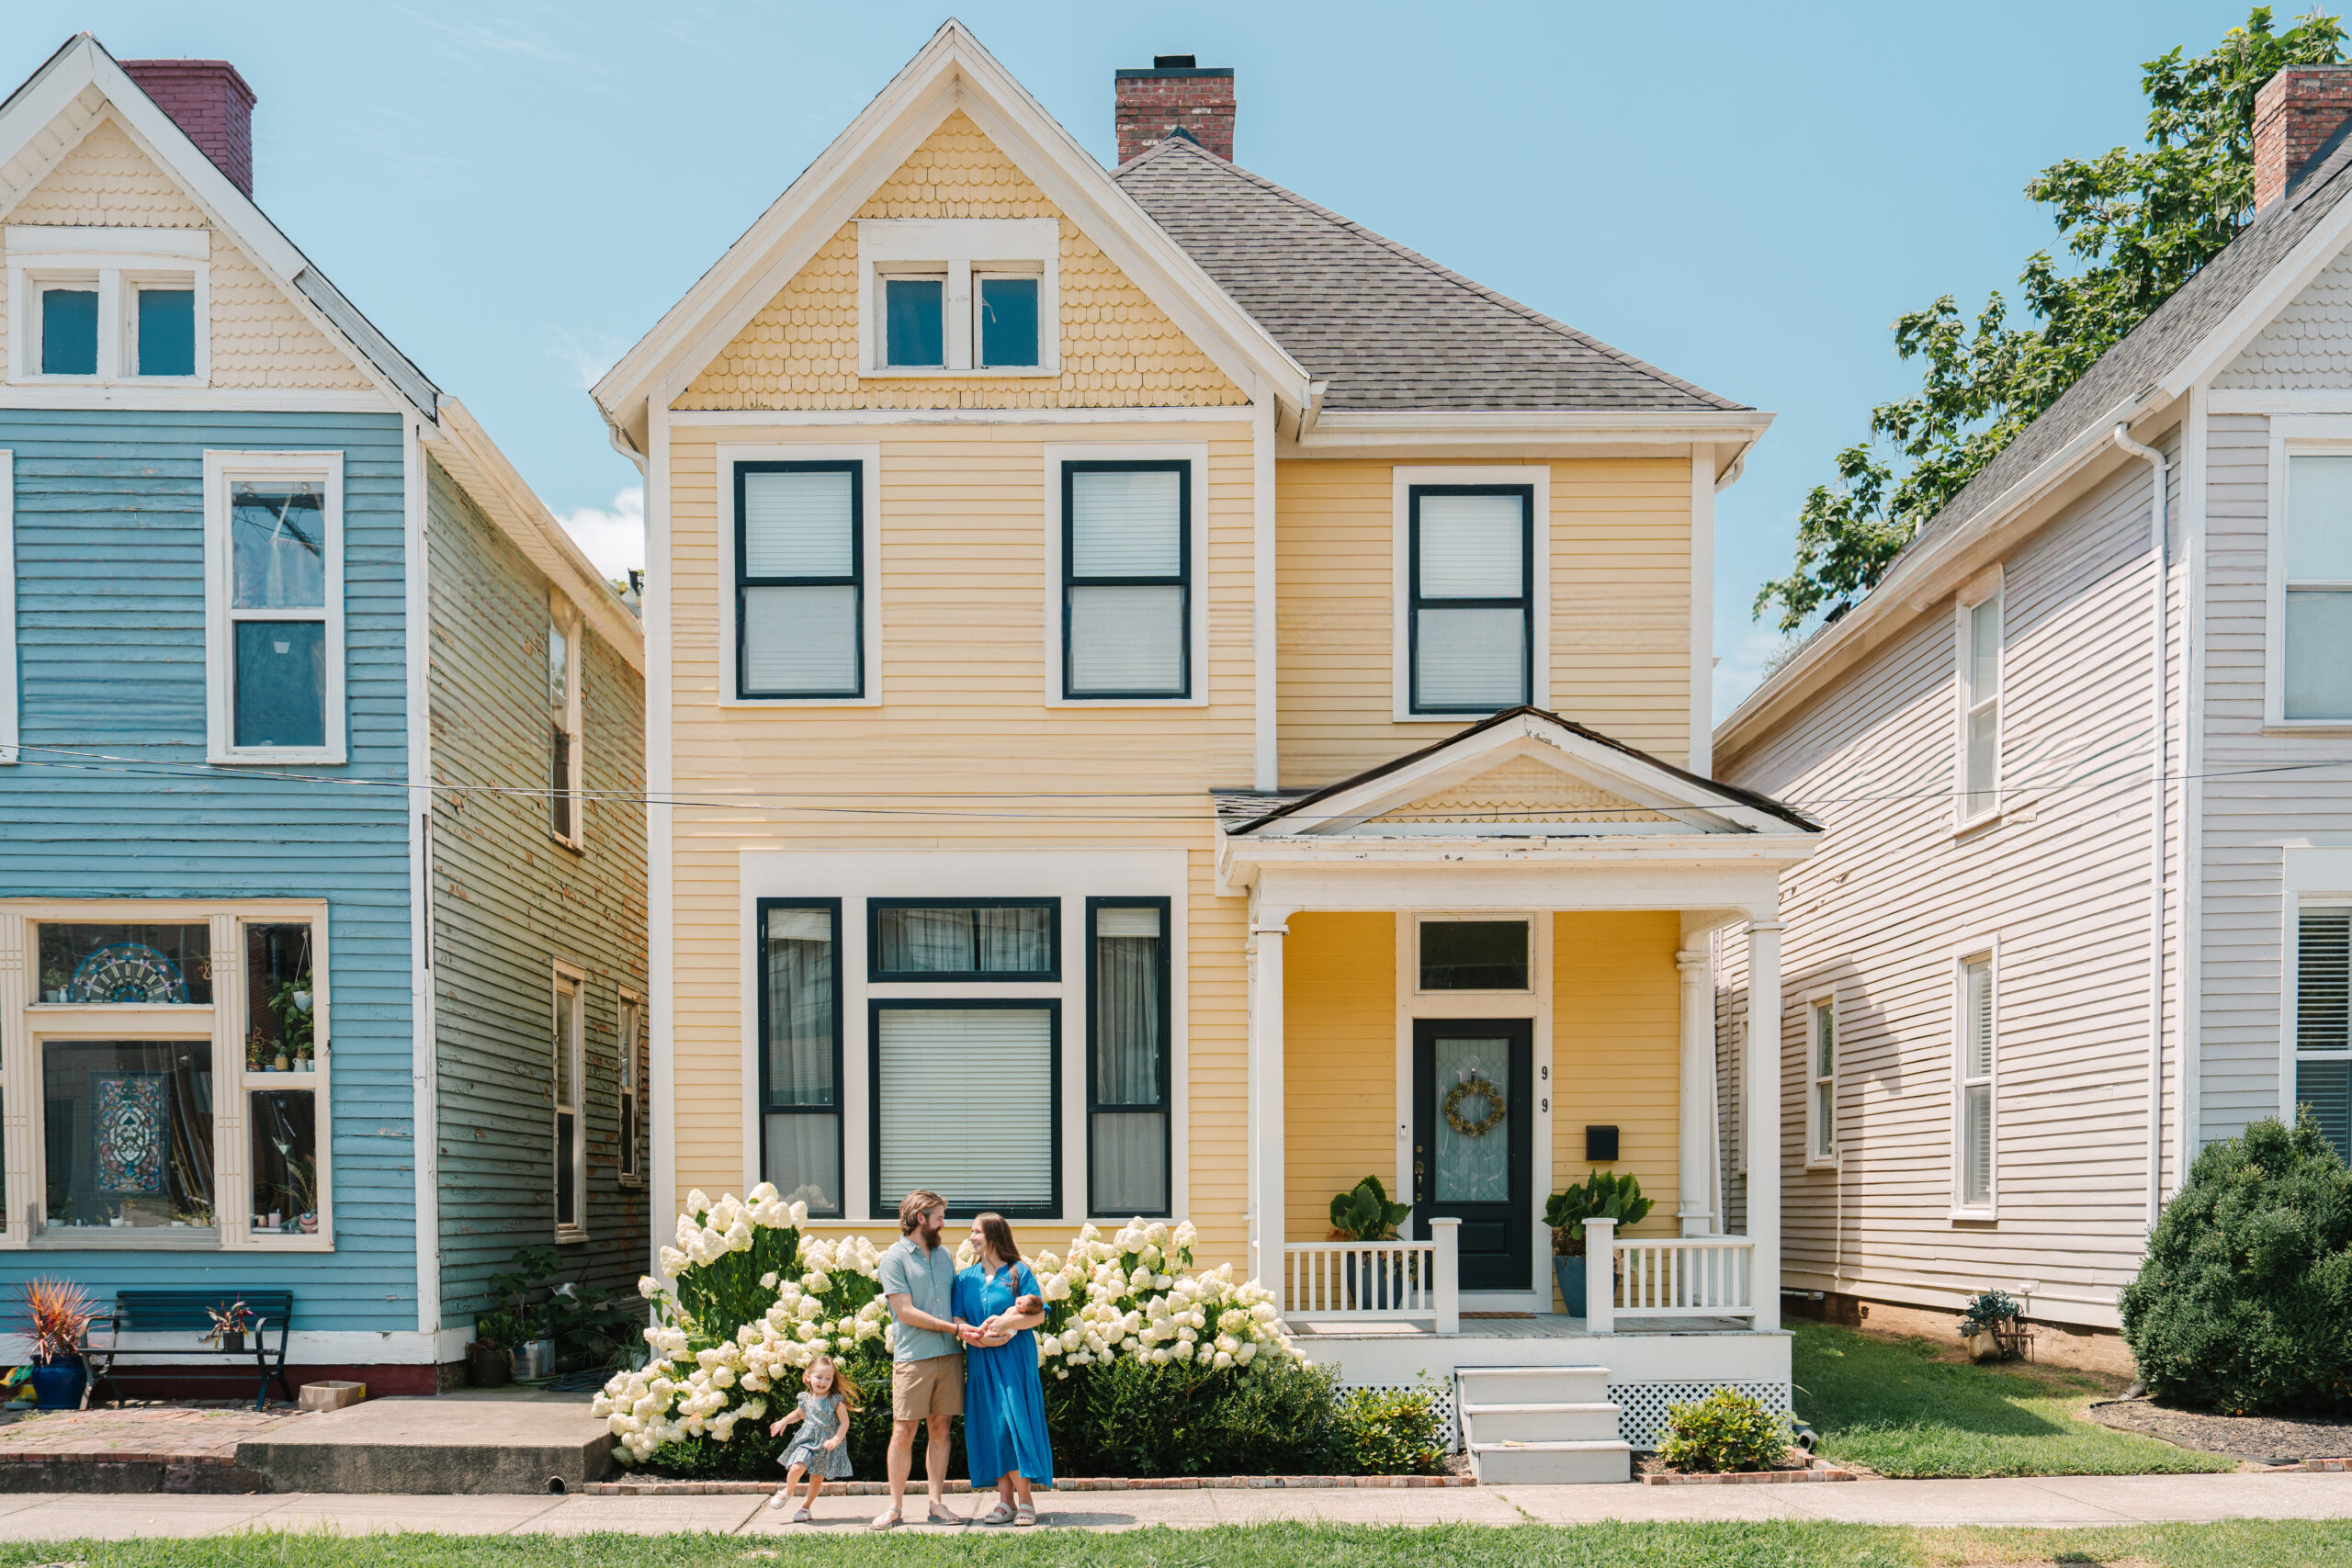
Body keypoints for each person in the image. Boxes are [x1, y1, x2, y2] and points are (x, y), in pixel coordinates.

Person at [954, 1212, 1053, 1527]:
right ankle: (1004, 1502)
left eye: (977, 1232)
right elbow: (957, 1319)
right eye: (971, 1232)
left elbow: (1039, 1314)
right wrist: (976, 1337)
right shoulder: (964, 1279)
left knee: (1012, 1424)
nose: (971, 1237)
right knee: (992, 1426)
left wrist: (1007, 1323)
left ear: (994, 1235)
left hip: (1014, 1360)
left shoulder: (1018, 1272)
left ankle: (1026, 1501)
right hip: (981, 1360)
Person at [873, 1189, 964, 1531]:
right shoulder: (894, 1258)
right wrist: (954, 1330)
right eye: (938, 1216)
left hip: (949, 1356)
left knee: (941, 1428)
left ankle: (935, 1503)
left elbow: (957, 1306)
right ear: (920, 1218)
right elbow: (905, 1312)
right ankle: (895, 1507)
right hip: (914, 1358)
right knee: (904, 1429)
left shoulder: (945, 1257)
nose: (943, 1223)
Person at [764, 1353, 856, 1521]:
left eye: (828, 1378)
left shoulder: (835, 1399)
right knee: (796, 1467)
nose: (823, 1382)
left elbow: (844, 1422)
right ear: (808, 1376)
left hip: (826, 1444)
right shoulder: (805, 1398)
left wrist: (836, 1439)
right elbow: (799, 1414)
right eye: (819, 1377)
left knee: (816, 1478)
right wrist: (784, 1421)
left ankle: (805, 1508)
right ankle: (787, 1491)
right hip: (807, 1440)